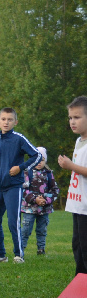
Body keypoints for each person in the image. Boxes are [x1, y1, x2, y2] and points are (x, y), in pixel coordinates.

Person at [0, 107, 41, 264]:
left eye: (10, 119)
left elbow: (37, 155)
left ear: (15, 122)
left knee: (13, 221)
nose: (6, 122)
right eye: (3, 119)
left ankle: (18, 255)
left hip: (13, 187)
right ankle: (0, 255)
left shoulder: (19, 138)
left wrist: (21, 167)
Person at [58, 96, 87, 277]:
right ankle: (80, 280)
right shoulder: (78, 141)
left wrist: (71, 166)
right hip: (78, 203)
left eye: (77, 117)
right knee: (77, 244)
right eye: (70, 118)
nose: (72, 122)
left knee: (86, 245)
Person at [20, 147, 58, 256]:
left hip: (44, 209)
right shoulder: (27, 173)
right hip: (29, 209)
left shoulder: (49, 174)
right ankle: (21, 250)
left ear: (45, 160)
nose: (39, 162)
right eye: (36, 159)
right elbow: (23, 189)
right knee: (26, 230)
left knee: (42, 230)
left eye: (42, 159)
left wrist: (46, 200)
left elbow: (55, 190)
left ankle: (41, 249)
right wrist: (35, 199)